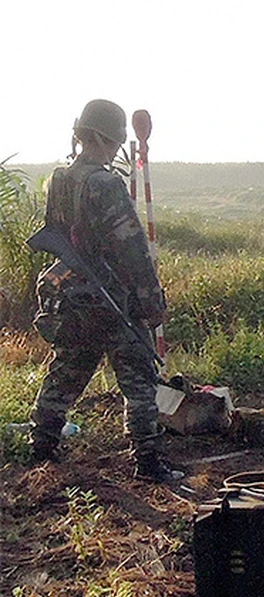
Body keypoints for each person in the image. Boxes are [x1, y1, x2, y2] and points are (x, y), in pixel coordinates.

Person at [26, 99, 182, 483]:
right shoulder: (106, 184)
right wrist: (152, 302)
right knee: (140, 379)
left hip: (74, 297)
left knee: (67, 371)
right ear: (96, 138)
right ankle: (147, 462)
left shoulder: (60, 178)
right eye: (112, 143)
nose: (115, 151)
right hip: (113, 300)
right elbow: (133, 250)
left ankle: (41, 446)